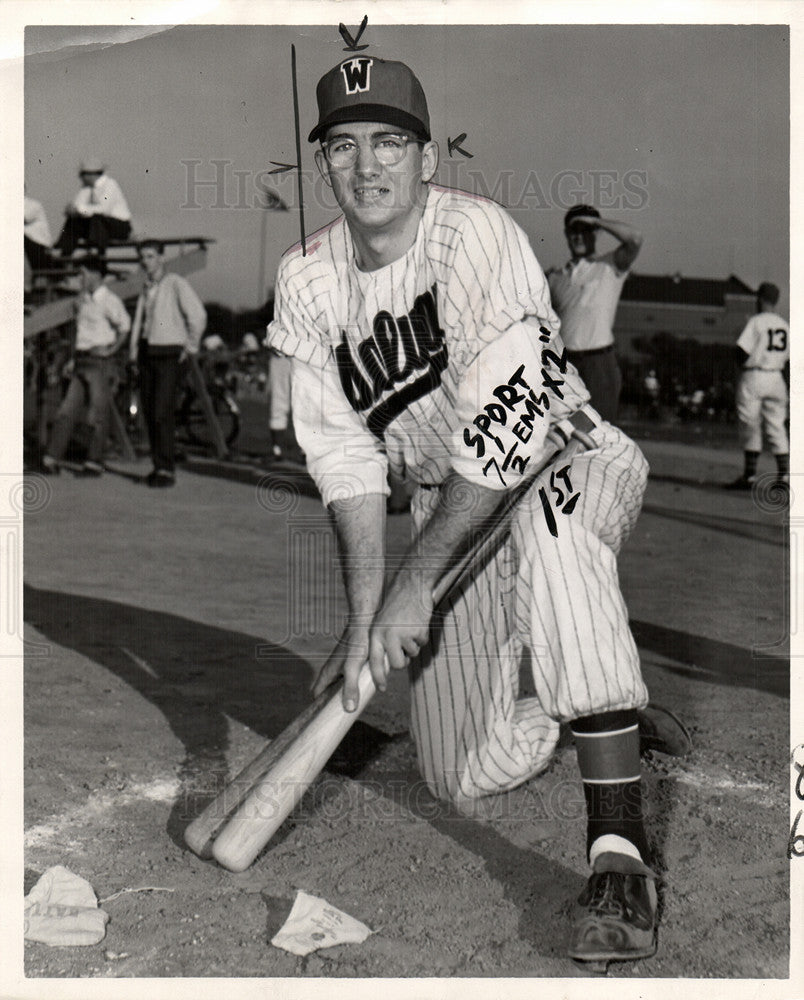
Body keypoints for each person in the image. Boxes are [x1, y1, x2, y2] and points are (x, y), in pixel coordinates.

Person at [266, 55, 685, 969]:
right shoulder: (306, 279)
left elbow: (509, 427)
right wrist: (370, 612)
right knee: (463, 774)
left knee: (554, 528)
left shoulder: (475, 234)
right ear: (324, 165)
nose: (366, 166)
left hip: (561, 455)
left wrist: (417, 581)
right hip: (449, 511)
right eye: (343, 146)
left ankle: (619, 855)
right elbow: (343, 460)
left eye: (389, 142)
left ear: (424, 156)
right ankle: (602, 715)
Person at [547, 205, 643, 422]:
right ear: (567, 235)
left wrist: (596, 222)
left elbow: (635, 238)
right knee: (558, 431)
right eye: (574, 231)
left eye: (586, 230)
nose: (579, 237)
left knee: (596, 432)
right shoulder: (555, 278)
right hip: (564, 365)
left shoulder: (610, 265)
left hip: (598, 364)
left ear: (596, 233)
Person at [40, 254, 130, 475]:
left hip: (99, 362)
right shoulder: (82, 300)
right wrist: (71, 359)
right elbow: (79, 333)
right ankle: (51, 459)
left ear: (96, 275)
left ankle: (94, 462)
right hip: (81, 360)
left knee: (97, 413)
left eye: (83, 273)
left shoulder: (110, 300)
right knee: (66, 411)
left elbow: (124, 327)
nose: (79, 277)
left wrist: (111, 349)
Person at [128, 239, 207, 487]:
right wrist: (133, 354)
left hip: (169, 353)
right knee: (150, 412)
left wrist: (191, 346)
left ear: (161, 258)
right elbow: (140, 323)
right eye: (142, 257)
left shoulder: (175, 283)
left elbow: (198, 315)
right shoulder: (146, 287)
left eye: (150, 256)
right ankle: (158, 466)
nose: (145, 261)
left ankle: (167, 470)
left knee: (162, 411)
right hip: (147, 352)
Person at [725, 281, 789, 490]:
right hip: (776, 377)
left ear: (760, 299)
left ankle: (750, 476)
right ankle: (784, 477)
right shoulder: (784, 325)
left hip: (755, 376)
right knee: (777, 426)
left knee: (750, 424)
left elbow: (741, 352)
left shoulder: (757, 321)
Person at [54, 157, 133, 257]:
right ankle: (64, 253)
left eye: (82, 174)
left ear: (91, 174)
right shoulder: (86, 188)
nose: (80, 178)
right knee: (73, 221)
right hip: (97, 228)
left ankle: (97, 253)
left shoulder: (110, 185)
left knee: (97, 219)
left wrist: (79, 209)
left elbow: (104, 209)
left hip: (119, 226)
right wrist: (73, 210)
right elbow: (78, 205)